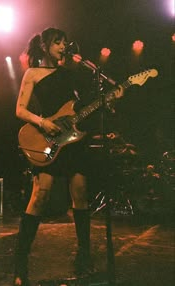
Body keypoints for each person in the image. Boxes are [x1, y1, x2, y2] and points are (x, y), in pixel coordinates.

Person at [14, 27, 124, 286]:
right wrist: (42, 122)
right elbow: (19, 109)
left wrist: (107, 100)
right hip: (48, 139)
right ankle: (20, 265)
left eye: (65, 42)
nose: (63, 47)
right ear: (45, 47)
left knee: (81, 195)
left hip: (72, 142)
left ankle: (84, 256)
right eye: (58, 43)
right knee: (40, 196)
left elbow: (80, 109)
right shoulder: (33, 73)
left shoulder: (72, 73)